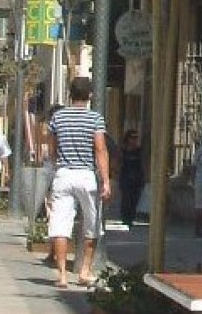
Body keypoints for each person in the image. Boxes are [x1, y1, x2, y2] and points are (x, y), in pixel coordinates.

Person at [47, 77, 111, 289]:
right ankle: (84, 270)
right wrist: (106, 180)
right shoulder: (95, 119)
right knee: (91, 224)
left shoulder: (58, 117)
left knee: (60, 225)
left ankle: (63, 274)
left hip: (64, 174)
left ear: (69, 94)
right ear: (90, 95)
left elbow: (52, 148)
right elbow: (100, 149)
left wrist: (58, 164)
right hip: (86, 176)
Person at [117, 129, 144, 228]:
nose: (134, 140)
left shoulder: (139, 151)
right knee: (126, 199)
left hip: (137, 179)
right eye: (132, 137)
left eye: (136, 137)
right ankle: (125, 219)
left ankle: (131, 218)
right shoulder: (123, 151)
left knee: (134, 200)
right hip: (126, 179)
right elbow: (119, 163)